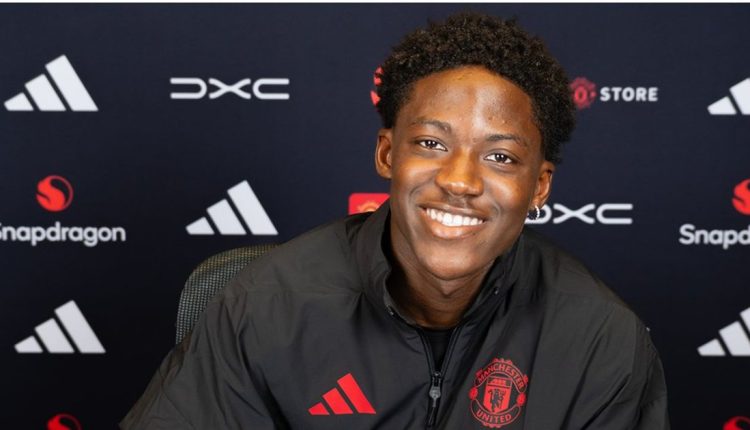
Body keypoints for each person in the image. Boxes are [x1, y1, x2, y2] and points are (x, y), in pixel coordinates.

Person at [122, 12, 669, 429]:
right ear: (388, 154)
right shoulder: (264, 307)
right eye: (431, 143)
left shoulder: (601, 340)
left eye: (500, 156)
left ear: (540, 187)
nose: (459, 180)